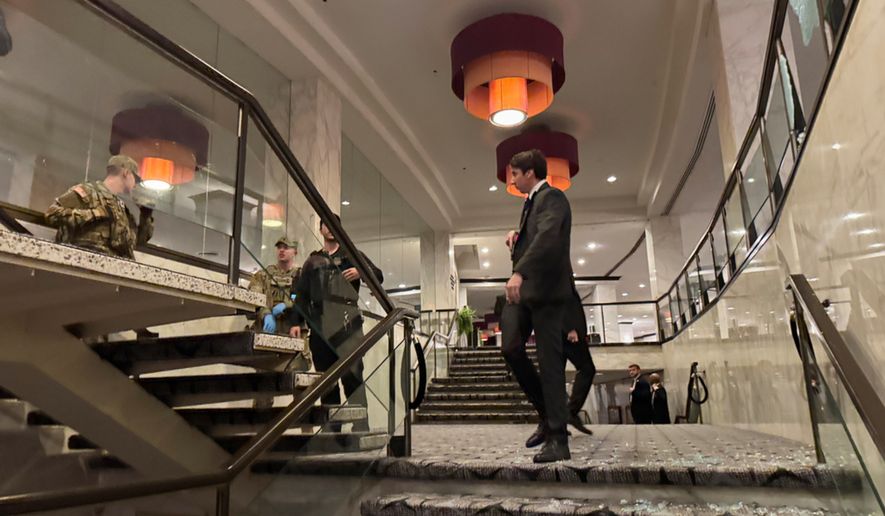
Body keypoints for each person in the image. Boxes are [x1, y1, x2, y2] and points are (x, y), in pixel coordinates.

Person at [500, 149, 574, 463]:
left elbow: (548, 238)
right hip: (527, 293)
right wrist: (518, 237)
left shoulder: (553, 197)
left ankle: (558, 440)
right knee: (510, 347)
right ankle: (547, 413)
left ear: (530, 172)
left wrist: (519, 271)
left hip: (547, 292)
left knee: (550, 362)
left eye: (515, 174)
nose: (512, 180)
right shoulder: (531, 203)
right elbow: (536, 236)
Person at [288, 215, 383, 414]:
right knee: (326, 383)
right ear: (321, 229)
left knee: (353, 379)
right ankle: (332, 431)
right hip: (320, 327)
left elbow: (378, 276)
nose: (330, 228)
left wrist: (361, 272)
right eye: (326, 224)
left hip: (348, 327)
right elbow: (302, 294)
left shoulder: (352, 255)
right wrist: (296, 322)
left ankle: (360, 428)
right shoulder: (313, 260)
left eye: (335, 225)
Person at [45, 155, 153, 260]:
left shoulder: (121, 209)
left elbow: (137, 241)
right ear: (126, 173)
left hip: (115, 266)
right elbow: (52, 214)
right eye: (136, 179)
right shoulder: (88, 192)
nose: (136, 184)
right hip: (84, 262)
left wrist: (146, 215)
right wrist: (95, 214)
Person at [562, 285, 597, 435]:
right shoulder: (560, 275)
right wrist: (570, 327)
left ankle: (557, 422)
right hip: (568, 334)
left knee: (556, 377)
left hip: (561, 332)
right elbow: (562, 298)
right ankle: (570, 411)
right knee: (587, 369)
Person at [248, 237, 301, 336]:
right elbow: (254, 297)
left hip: (291, 329)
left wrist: (287, 305)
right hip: (266, 329)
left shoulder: (301, 276)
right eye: (279, 247)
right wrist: (266, 313)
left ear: (295, 252)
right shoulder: (263, 275)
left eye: (286, 247)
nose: (281, 250)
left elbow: (304, 299)